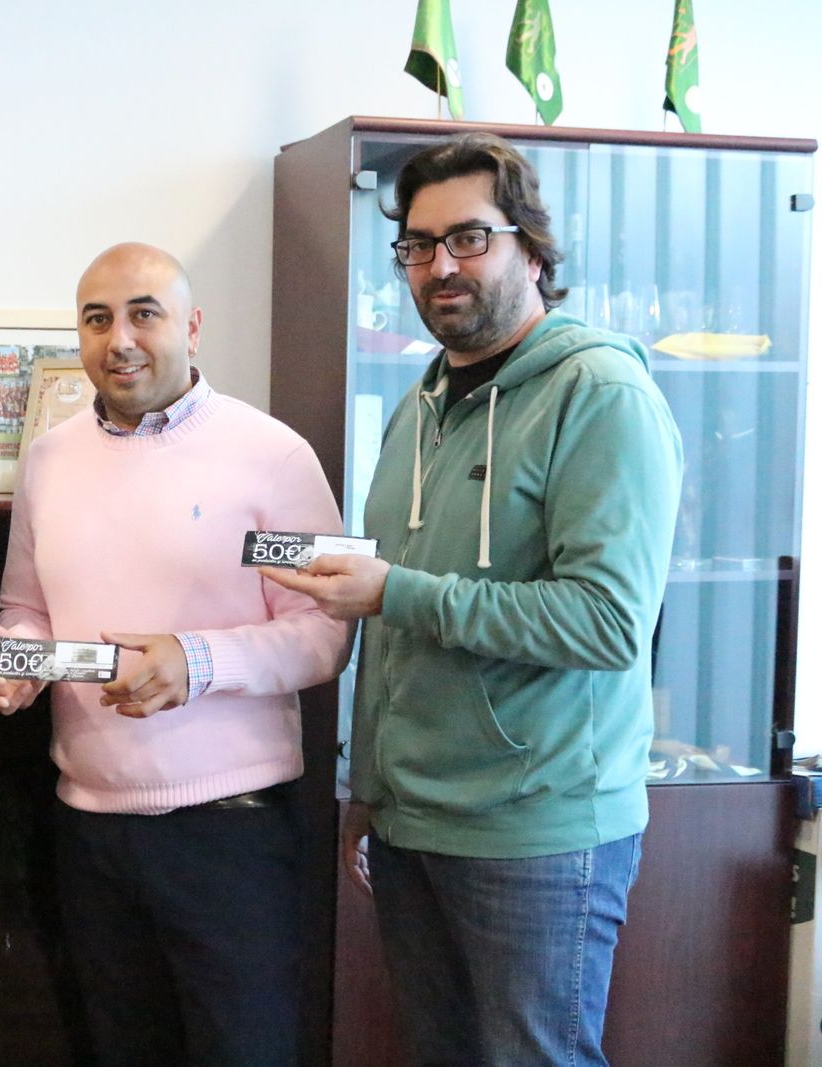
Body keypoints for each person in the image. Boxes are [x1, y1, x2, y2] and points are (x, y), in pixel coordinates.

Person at [267, 133, 684, 1067]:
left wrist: (398, 590)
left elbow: (609, 620)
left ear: (532, 250)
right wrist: (370, 786)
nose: (440, 264)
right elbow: (389, 628)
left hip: (538, 827)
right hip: (415, 819)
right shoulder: (422, 403)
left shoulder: (600, 391)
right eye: (417, 245)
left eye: (469, 237)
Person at [0, 242, 349, 1066]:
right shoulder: (50, 457)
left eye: (145, 313)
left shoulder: (273, 454)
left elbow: (326, 633)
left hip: (231, 833)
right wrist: (15, 667)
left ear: (194, 326)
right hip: (87, 828)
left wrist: (197, 661)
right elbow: (26, 610)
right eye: (98, 319)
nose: (121, 340)